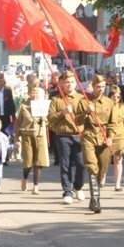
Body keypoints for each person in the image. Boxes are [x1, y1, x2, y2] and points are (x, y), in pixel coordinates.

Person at [47, 71, 87, 205]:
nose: (69, 85)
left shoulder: (82, 98)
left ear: (76, 83)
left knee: (81, 164)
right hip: (63, 135)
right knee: (65, 165)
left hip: (79, 135)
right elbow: (50, 119)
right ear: (62, 83)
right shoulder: (56, 99)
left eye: (72, 82)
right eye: (67, 82)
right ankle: (67, 191)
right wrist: (62, 112)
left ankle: (78, 186)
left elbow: (86, 118)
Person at [78, 75, 115, 213]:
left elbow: (112, 123)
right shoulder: (84, 101)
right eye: (98, 86)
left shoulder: (109, 102)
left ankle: (94, 195)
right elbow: (77, 121)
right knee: (92, 167)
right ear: (92, 86)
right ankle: (95, 200)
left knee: (102, 169)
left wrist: (110, 137)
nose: (101, 89)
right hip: (89, 136)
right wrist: (87, 112)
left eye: (103, 87)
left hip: (104, 138)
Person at [13, 83, 48, 195]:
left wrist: (45, 119)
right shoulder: (24, 106)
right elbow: (18, 123)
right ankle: (24, 178)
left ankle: (36, 186)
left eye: (36, 92)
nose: (35, 95)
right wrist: (16, 138)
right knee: (28, 162)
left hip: (39, 135)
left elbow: (50, 122)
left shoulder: (43, 105)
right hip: (27, 135)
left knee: (39, 162)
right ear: (28, 94)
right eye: (32, 92)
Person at [102, 84, 124, 191]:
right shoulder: (105, 106)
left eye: (118, 97)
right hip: (108, 135)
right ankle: (102, 179)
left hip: (120, 135)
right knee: (106, 159)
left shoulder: (123, 108)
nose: (116, 99)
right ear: (110, 96)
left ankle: (117, 184)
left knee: (118, 160)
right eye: (114, 96)